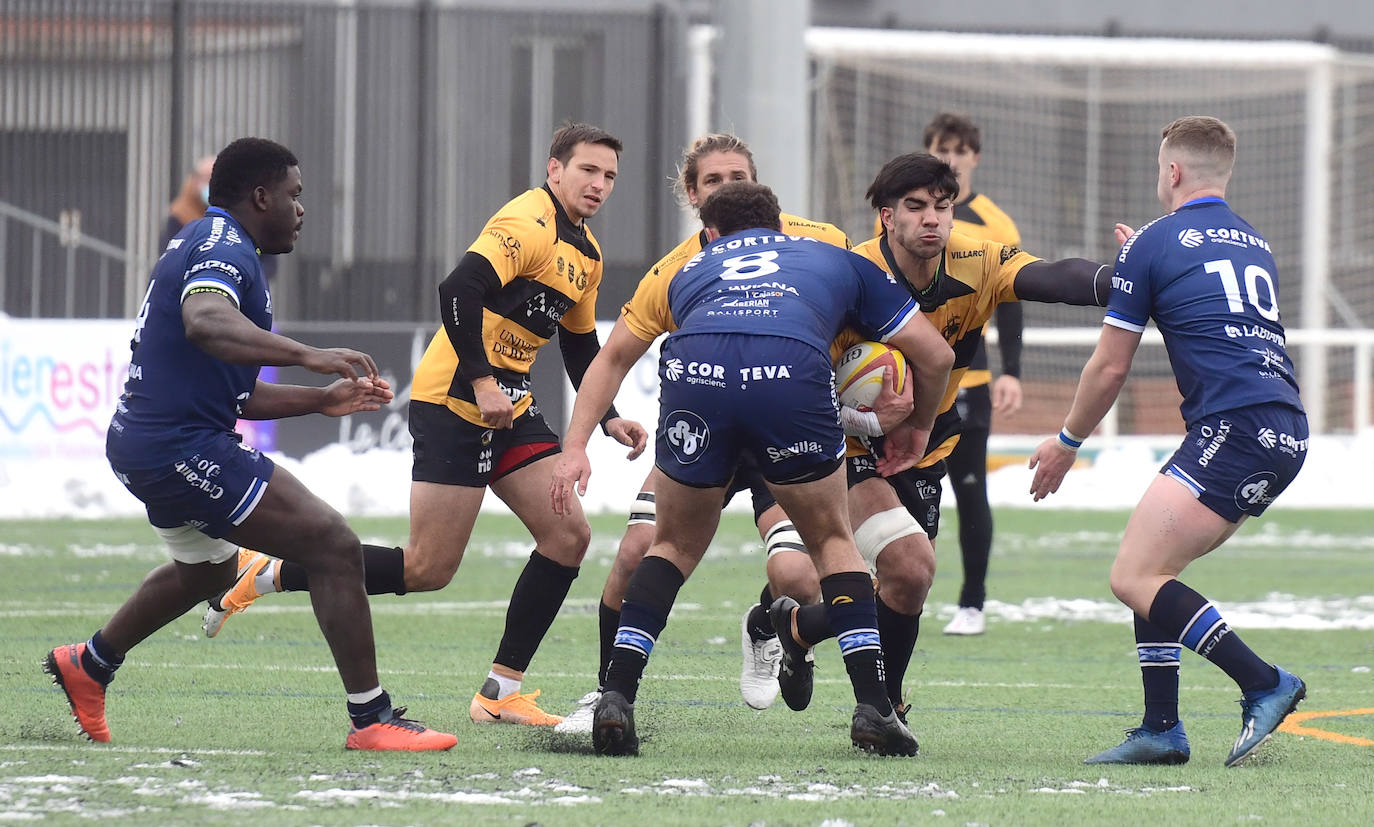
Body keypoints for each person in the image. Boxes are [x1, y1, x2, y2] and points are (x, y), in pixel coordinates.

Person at [200, 123, 645, 728]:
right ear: (554, 170)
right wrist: (484, 381)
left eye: (610, 176)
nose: (599, 184)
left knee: (568, 536)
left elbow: (578, 342)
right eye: (588, 170)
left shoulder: (587, 254)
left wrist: (609, 416)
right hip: (454, 397)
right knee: (427, 569)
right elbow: (457, 288)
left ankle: (499, 692)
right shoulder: (526, 225)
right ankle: (273, 571)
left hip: (509, 404)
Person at [44, 137, 455, 751]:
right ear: (260, 197)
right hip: (177, 445)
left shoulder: (217, 247)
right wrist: (310, 355)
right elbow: (204, 322)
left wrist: (320, 400)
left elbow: (233, 395)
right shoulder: (222, 244)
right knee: (332, 545)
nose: (301, 208)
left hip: (148, 440)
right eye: (295, 195)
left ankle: (92, 663)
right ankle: (373, 721)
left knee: (205, 570)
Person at [551, 180, 955, 757]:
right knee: (833, 542)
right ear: (781, 227)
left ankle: (616, 694)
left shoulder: (682, 268)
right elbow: (936, 354)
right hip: (788, 380)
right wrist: (916, 425)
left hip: (698, 379)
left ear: (710, 233)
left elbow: (611, 357)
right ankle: (873, 708)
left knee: (671, 547)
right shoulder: (831, 257)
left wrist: (576, 444)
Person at [765, 152, 1109, 730]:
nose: (932, 219)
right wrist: (869, 419)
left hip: (927, 442)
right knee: (909, 562)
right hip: (844, 446)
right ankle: (881, 709)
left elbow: (1052, 277)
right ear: (885, 216)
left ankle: (800, 630)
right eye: (916, 207)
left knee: (907, 581)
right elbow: (800, 387)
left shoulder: (976, 258)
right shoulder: (846, 276)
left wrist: (1123, 275)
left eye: (942, 207)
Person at [1028, 116, 1308, 767]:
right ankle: (1161, 727)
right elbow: (1200, 292)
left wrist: (1068, 440)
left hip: (1232, 429)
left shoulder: (1153, 243)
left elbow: (1110, 366)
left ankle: (1263, 681)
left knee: (1133, 574)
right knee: (1154, 568)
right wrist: (1142, 263)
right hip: (1286, 428)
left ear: (1172, 171)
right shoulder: (1253, 240)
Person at [915, 113, 1026, 636]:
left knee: (969, 487)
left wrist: (1012, 371)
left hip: (970, 386)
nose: (950, 158)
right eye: (941, 148)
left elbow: (1012, 301)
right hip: (909, 381)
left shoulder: (997, 225)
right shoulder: (901, 216)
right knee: (894, 489)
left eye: (959, 150)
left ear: (975, 158)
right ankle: (891, 589)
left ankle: (972, 603)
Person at [161, 155, 278, 281]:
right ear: (194, 181)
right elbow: (169, 258)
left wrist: (247, 277)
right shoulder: (180, 216)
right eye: (206, 179)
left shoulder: (244, 217)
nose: (211, 185)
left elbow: (268, 261)